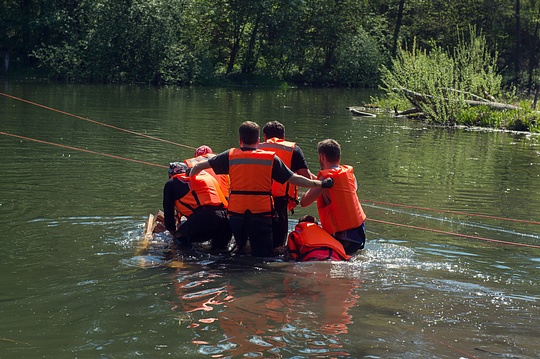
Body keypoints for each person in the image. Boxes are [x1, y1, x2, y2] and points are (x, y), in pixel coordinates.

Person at [188, 121, 334, 258]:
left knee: (241, 251)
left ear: (240, 140)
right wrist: (320, 184)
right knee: (262, 257)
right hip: (260, 214)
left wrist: (190, 176)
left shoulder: (230, 155)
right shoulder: (270, 159)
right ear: (258, 140)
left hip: (236, 215)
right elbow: (296, 179)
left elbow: (200, 166)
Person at [300, 139, 367, 255]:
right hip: (359, 233)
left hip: (344, 238)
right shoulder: (348, 173)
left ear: (321, 157)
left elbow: (304, 202)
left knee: (304, 228)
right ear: (339, 157)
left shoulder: (326, 179)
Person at [258, 121, 315, 248]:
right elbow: (306, 177)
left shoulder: (256, 148)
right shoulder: (293, 149)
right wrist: (322, 183)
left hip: (256, 201)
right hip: (280, 202)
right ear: (283, 137)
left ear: (264, 136)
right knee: (278, 247)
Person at [162, 162, 232, 252]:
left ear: (171, 174)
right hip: (226, 220)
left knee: (179, 238)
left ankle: (184, 263)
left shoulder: (171, 183)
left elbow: (168, 211)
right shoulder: (205, 176)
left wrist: (172, 231)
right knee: (220, 252)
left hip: (205, 218)